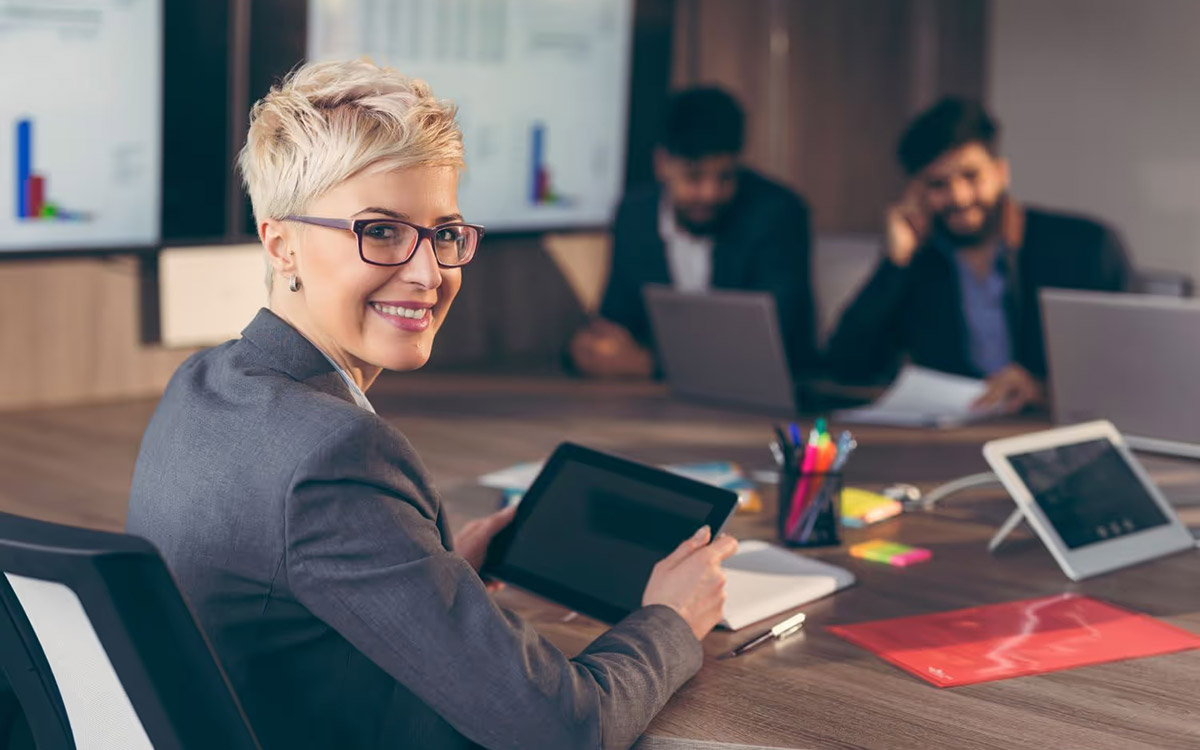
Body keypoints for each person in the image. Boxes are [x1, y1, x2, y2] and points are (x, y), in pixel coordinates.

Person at [126, 60, 737, 750]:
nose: (429, 273)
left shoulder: (202, 383)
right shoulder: (335, 454)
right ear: (281, 242)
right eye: (380, 231)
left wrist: (431, 565)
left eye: (444, 233)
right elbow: (563, 730)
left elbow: (287, 589)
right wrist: (670, 620)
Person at [826, 97, 1132, 413]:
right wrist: (895, 263)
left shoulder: (1086, 247)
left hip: (1052, 427)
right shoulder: (919, 261)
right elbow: (847, 365)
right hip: (954, 437)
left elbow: (1128, 370)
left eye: (971, 176)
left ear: (1001, 173)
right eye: (937, 184)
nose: (959, 197)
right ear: (917, 192)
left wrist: (1043, 388)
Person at [570, 87, 816, 378]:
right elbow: (618, 319)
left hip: (763, 403)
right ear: (662, 164)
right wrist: (593, 347)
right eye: (694, 176)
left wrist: (650, 365)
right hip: (655, 402)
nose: (711, 193)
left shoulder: (777, 213)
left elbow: (773, 345)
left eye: (725, 176)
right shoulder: (634, 215)